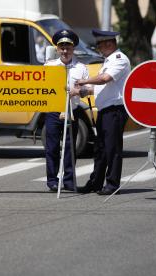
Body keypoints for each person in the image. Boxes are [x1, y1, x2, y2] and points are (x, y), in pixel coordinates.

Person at [71, 29, 130, 195]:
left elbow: (105, 79)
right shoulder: (108, 61)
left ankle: (112, 184)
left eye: (100, 45)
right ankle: (96, 182)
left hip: (115, 110)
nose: (98, 48)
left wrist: (83, 80)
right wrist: (81, 91)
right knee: (100, 149)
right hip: (105, 111)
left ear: (110, 43)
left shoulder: (119, 59)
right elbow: (100, 87)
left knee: (112, 149)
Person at [44, 29, 89, 192]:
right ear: (57, 49)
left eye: (68, 47)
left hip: (73, 110)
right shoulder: (49, 66)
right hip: (54, 111)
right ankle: (52, 181)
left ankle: (69, 181)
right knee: (52, 147)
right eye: (61, 47)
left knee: (70, 148)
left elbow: (88, 89)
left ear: (73, 49)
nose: (65, 51)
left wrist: (79, 91)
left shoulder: (81, 68)